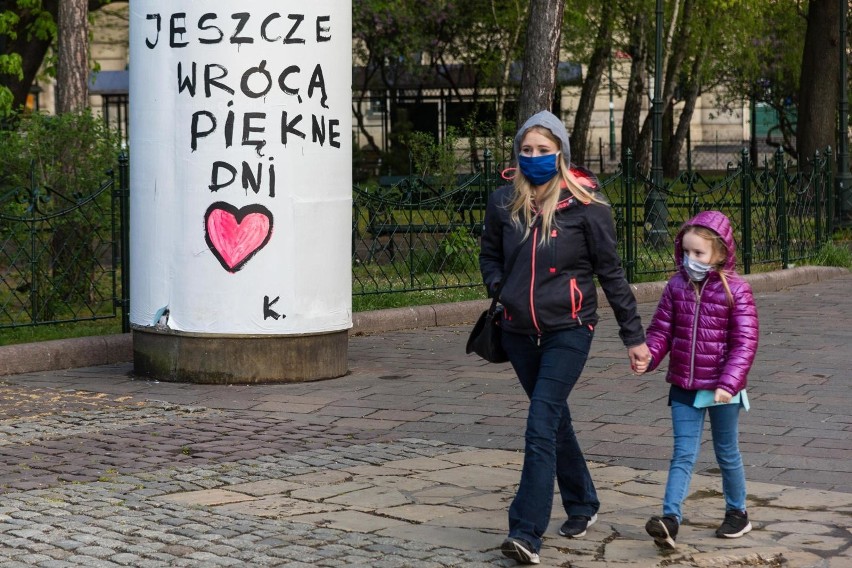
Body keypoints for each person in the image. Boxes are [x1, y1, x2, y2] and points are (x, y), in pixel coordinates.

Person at [479, 110, 651, 565]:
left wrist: (634, 337)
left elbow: (611, 273)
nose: (533, 157)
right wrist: (501, 289)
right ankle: (583, 502)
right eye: (526, 149)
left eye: (543, 150)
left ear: (561, 154)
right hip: (517, 332)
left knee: (540, 424)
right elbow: (490, 256)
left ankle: (525, 533)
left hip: (570, 329)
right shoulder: (503, 202)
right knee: (554, 419)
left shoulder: (586, 205)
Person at [638, 210, 758, 550]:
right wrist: (648, 356)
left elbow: (745, 342)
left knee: (726, 452)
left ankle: (738, 512)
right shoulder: (676, 286)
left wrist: (728, 383)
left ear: (720, 253)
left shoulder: (737, 290)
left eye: (699, 253)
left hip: (722, 389)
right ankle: (670, 519)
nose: (691, 259)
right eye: (686, 252)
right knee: (682, 454)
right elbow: (661, 329)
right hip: (684, 385)